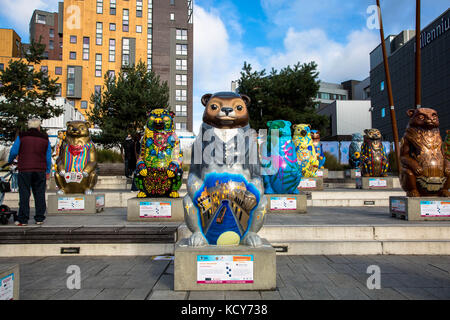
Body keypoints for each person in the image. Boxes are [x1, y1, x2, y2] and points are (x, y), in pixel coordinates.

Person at [8, 119, 52, 226]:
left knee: (24, 193)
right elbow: (48, 156)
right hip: (40, 169)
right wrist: (48, 170)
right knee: (39, 193)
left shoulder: (22, 136)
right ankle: (39, 218)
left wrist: (10, 161)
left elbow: (14, 151)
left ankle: (23, 219)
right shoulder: (45, 138)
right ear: (38, 127)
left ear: (29, 126)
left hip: (25, 169)